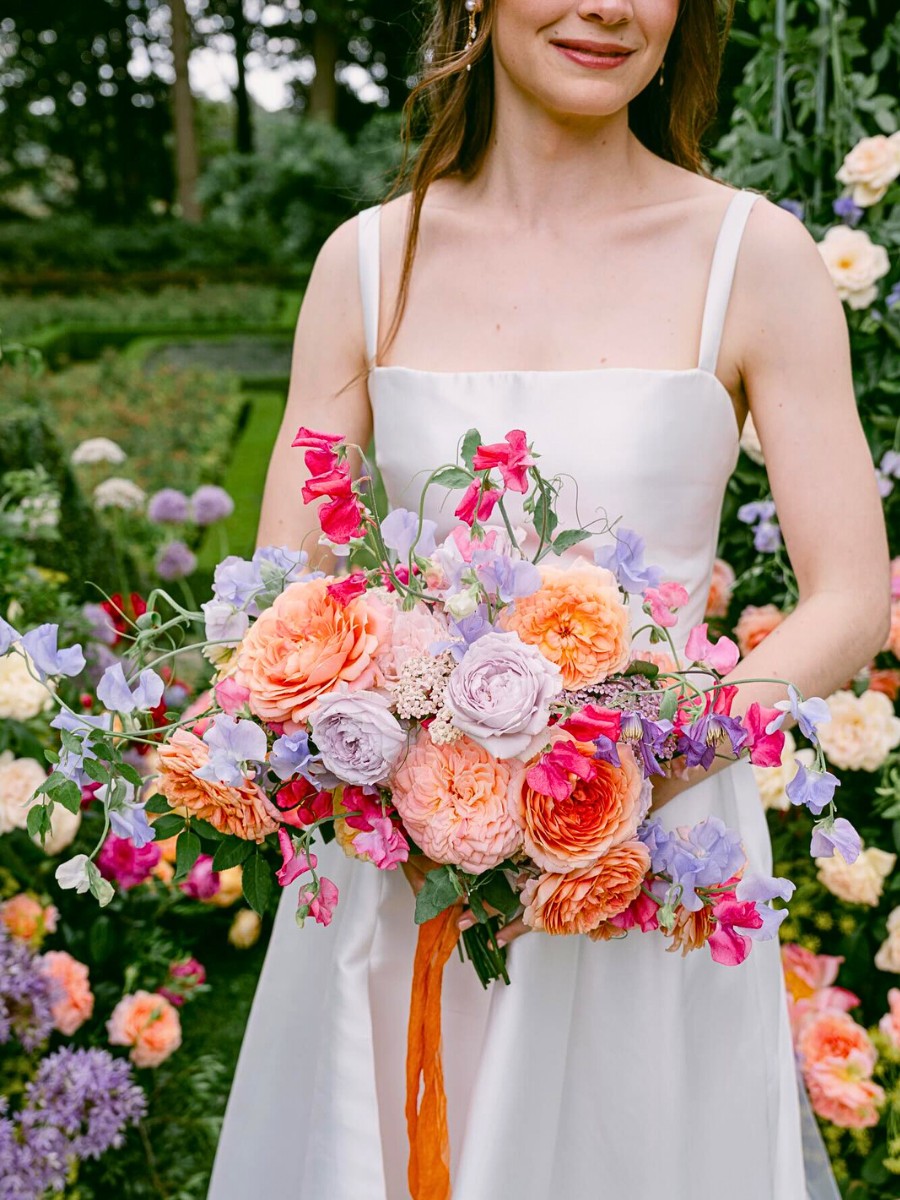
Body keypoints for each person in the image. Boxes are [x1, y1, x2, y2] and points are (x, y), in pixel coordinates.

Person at [207, 1, 890, 1197]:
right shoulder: (368, 261)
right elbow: (288, 594)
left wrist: (632, 771)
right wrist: (404, 755)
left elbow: (846, 598)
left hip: (648, 861)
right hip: (412, 864)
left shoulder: (755, 255)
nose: (609, 8)